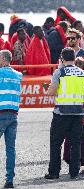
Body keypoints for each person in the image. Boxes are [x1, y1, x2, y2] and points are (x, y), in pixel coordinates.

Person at [44, 47, 84, 180]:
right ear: (74, 58)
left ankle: (54, 172)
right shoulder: (83, 73)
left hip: (61, 113)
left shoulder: (60, 72)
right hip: (78, 112)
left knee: (56, 143)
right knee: (75, 143)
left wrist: (47, 88)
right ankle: (74, 172)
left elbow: (51, 92)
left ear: (62, 59)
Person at [63, 56, 84, 174]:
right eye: (76, 63)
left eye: (80, 64)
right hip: (72, 111)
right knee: (69, 139)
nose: (77, 65)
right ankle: (73, 165)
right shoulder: (68, 76)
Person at [0, 50, 22, 189]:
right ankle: (10, 180)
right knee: (10, 148)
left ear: (3, 59)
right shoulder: (17, 75)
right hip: (13, 114)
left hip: (1, 113)